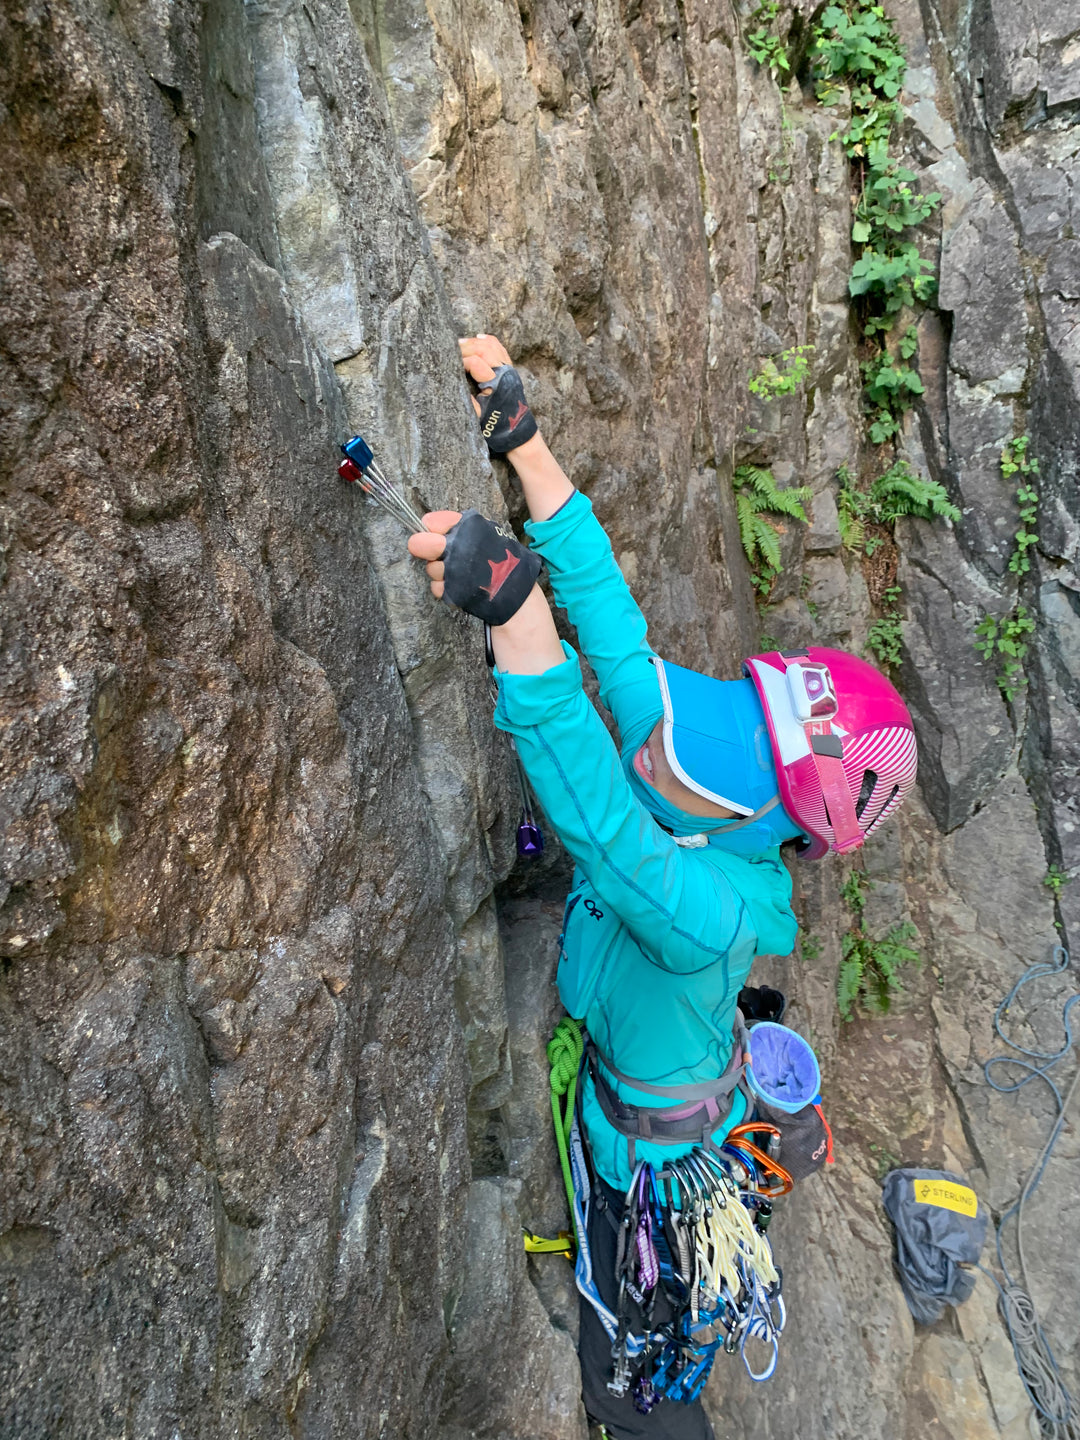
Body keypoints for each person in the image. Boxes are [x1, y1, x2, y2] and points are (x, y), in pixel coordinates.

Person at [407, 335, 918, 1439]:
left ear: (776, 816)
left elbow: (605, 827)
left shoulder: (714, 918)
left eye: (742, 743)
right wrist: (526, 447)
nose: (685, 737)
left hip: (651, 1156)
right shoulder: (715, 778)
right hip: (660, 1083)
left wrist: (517, 618)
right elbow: (626, 645)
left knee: (634, 1346)